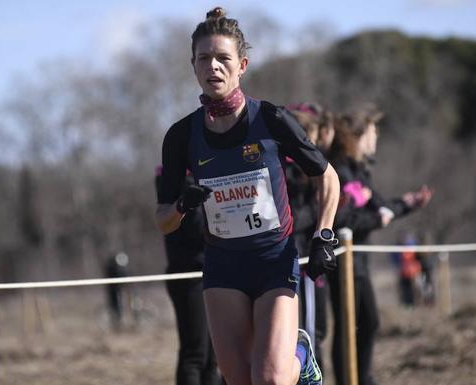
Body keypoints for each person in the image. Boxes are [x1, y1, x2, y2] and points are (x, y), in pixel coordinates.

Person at [156, 7, 341, 385]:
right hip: (223, 264)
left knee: (271, 379)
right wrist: (182, 205)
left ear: (242, 65)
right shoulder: (180, 136)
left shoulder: (271, 119)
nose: (214, 67)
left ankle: (301, 356)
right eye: (204, 59)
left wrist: (324, 235)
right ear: (193, 66)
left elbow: (328, 177)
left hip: (274, 258)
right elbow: (163, 220)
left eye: (223, 58)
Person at [326, 104, 433, 385]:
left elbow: (380, 207)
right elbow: (342, 218)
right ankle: (352, 379)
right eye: (373, 132)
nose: (376, 139)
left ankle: (362, 377)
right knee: (350, 324)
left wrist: (407, 204)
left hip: (357, 261)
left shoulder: (359, 170)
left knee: (366, 322)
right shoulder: (340, 169)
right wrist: (376, 219)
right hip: (342, 260)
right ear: (357, 135)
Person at [155, 166, 221, 385]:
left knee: (214, 358)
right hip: (188, 275)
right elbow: (195, 228)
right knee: (195, 353)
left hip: (212, 271)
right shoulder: (178, 179)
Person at [285, 103, 335, 376]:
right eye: (310, 133)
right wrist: (318, 210)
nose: (313, 141)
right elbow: (289, 217)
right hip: (298, 262)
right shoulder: (289, 169)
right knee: (308, 334)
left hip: (311, 259)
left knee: (318, 332)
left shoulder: (314, 168)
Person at [104, 251, 129, 331]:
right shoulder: (112, 269)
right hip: (115, 291)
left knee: (119, 306)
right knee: (116, 306)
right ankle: (117, 322)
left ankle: (119, 321)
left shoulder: (119, 269)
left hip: (119, 290)